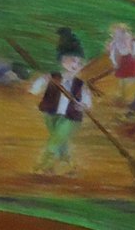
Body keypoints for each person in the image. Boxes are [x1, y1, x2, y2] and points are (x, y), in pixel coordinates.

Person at [30, 27, 92, 175]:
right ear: (63, 60)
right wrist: (42, 80)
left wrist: (82, 105)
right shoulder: (53, 77)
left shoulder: (80, 84)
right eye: (73, 60)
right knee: (60, 141)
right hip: (51, 114)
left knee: (55, 141)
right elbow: (34, 90)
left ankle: (44, 166)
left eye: (79, 62)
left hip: (71, 117)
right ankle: (69, 165)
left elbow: (87, 102)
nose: (76, 65)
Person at [106, 23, 135, 102]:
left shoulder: (129, 38)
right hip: (123, 62)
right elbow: (114, 54)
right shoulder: (114, 43)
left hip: (130, 60)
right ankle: (124, 96)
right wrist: (115, 64)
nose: (118, 35)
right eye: (116, 33)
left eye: (120, 32)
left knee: (132, 79)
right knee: (123, 80)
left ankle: (132, 95)